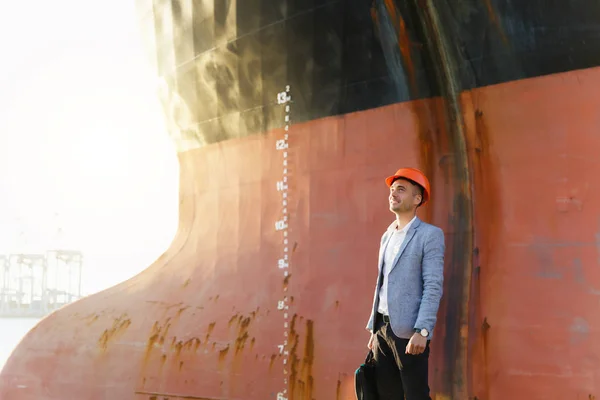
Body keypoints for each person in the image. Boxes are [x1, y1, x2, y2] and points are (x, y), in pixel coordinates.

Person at [365, 167, 445, 400]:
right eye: (392, 189)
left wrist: (423, 330)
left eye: (401, 189)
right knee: (387, 395)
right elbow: (381, 285)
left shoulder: (430, 235)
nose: (393, 194)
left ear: (417, 199)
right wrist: (374, 328)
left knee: (416, 396)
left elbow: (433, 285)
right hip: (382, 330)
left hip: (410, 333)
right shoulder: (387, 235)